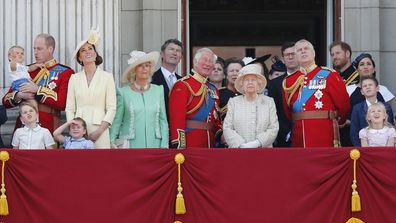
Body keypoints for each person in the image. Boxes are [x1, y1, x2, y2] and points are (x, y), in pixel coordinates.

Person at [282, 39, 350, 148]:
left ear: (313, 53)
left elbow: (343, 105)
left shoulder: (329, 75)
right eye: (299, 50)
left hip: (324, 133)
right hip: (299, 136)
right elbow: (288, 112)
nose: (303, 51)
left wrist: (338, 122)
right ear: (295, 56)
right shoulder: (289, 81)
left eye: (306, 49)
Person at [2, 33, 75, 133]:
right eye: (34, 49)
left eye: (39, 49)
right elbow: (5, 101)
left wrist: (37, 90)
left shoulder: (65, 72)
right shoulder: (26, 70)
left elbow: (63, 103)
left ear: (50, 49)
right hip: (23, 127)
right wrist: (19, 95)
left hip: (48, 126)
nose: (35, 52)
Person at [66, 29, 116, 149]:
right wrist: (73, 128)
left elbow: (111, 108)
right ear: (79, 58)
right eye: (83, 50)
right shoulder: (74, 78)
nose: (87, 52)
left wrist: (100, 131)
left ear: (95, 53)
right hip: (78, 130)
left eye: (90, 48)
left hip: (100, 128)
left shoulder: (107, 77)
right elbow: (69, 107)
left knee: (101, 164)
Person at [110, 50, 168, 148]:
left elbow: (163, 121)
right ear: (134, 70)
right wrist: (111, 141)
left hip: (155, 144)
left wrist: (164, 144)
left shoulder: (158, 90)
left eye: (147, 65)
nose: (144, 69)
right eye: (140, 66)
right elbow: (117, 121)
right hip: (130, 145)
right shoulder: (123, 92)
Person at [169, 47, 221, 148]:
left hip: (210, 142)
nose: (208, 64)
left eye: (211, 61)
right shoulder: (183, 85)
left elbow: (215, 119)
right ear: (195, 62)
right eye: (204, 60)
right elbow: (177, 118)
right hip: (191, 141)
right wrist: (178, 142)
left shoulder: (214, 89)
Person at [223, 64, 279, 148]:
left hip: (263, 151)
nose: (250, 82)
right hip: (239, 151)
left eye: (253, 80)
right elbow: (227, 128)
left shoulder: (269, 102)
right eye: (246, 80)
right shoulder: (234, 102)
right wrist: (241, 145)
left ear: (259, 84)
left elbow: (273, 128)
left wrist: (257, 143)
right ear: (242, 84)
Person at [267, 42, 298, 147]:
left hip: (308, 135)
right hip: (283, 138)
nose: (290, 57)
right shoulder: (273, 84)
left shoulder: (311, 79)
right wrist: (285, 133)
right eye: (287, 55)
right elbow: (273, 113)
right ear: (283, 59)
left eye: (293, 54)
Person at [350, 76, 394, 146]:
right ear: (361, 91)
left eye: (370, 85)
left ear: (377, 88)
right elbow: (354, 132)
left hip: (385, 148)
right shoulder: (357, 108)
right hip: (364, 150)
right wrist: (361, 151)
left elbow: (391, 127)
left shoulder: (386, 107)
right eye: (364, 86)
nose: (367, 87)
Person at [329, 41, 355, 147]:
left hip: (353, 130)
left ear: (347, 54)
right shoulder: (332, 77)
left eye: (337, 53)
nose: (334, 57)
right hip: (335, 130)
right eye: (332, 54)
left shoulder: (359, 76)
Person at [151, 39, 183, 121]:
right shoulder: (151, 78)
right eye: (171, 49)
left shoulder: (183, 81)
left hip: (179, 129)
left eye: (178, 51)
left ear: (180, 58)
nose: (174, 53)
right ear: (162, 54)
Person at [217, 58, 244, 147]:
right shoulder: (218, 94)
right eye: (231, 71)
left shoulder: (248, 94)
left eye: (237, 71)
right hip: (224, 141)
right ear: (226, 75)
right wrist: (221, 135)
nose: (235, 74)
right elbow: (214, 119)